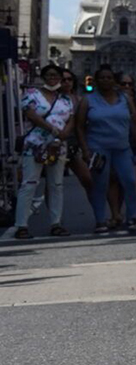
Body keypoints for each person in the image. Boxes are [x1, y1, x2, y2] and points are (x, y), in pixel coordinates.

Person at [75, 66, 136, 235]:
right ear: (96, 80)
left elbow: (135, 119)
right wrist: (85, 150)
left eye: (109, 78)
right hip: (98, 149)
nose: (105, 80)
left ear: (114, 81)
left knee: (129, 181)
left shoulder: (125, 98)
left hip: (122, 148)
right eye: (102, 78)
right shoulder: (88, 100)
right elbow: (79, 126)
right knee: (100, 185)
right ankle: (100, 220)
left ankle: (133, 217)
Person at [14, 63, 75, 238]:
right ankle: (21, 225)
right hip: (34, 145)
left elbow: (71, 118)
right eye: (49, 75)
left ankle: (56, 223)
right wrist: (52, 129)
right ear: (43, 77)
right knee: (29, 183)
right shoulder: (32, 94)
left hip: (57, 147)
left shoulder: (65, 99)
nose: (53, 78)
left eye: (56, 76)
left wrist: (64, 134)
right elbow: (31, 115)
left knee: (56, 185)